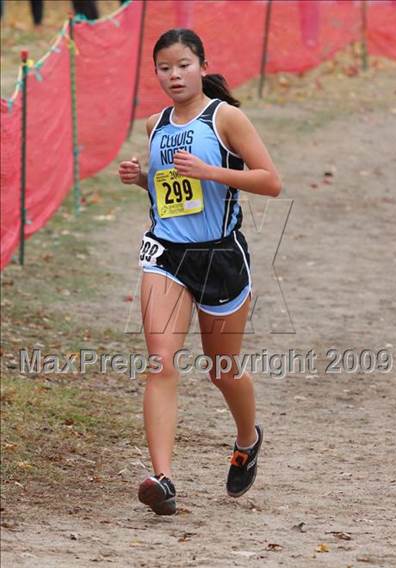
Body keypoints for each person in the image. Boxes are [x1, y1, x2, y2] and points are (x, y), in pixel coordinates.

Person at [119, 28, 281, 516]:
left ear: (202, 66)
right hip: (166, 254)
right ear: (156, 73)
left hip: (221, 258)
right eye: (165, 67)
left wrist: (212, 172)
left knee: (222, 370)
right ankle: (163, 479)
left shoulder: (225, 118)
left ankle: (247, 438)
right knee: (160, 360)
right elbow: (172, 192)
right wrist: (143, 180)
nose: (174, 75)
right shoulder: (156, 125)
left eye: (184, 65)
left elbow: (271, 181)